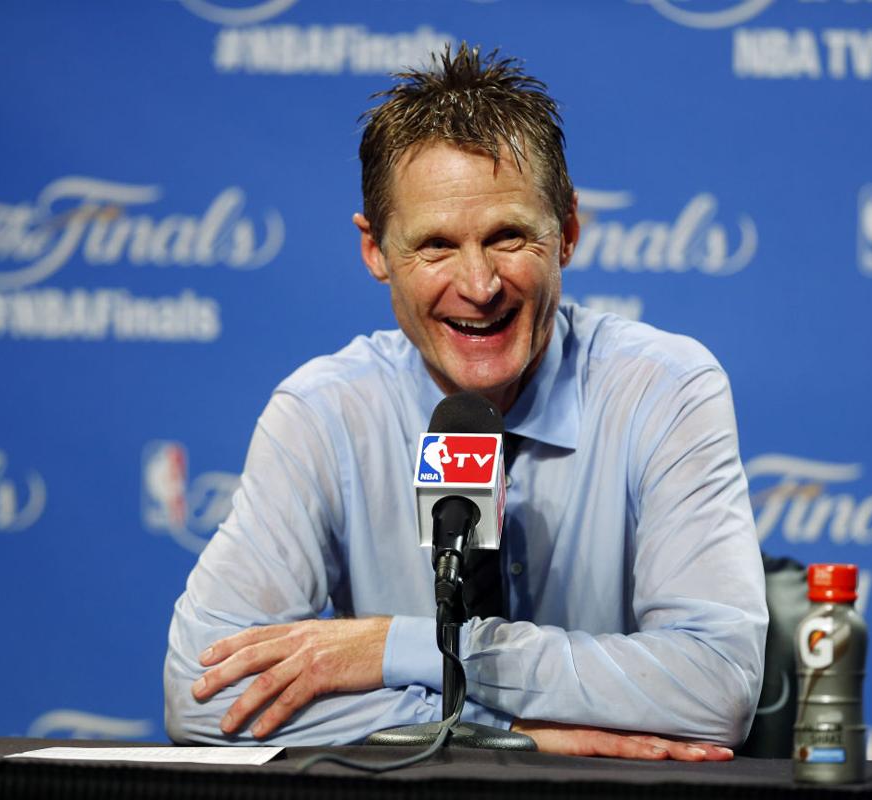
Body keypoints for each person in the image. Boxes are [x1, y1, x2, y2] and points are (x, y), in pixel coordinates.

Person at [164, 44, 767, 761]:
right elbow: (204, 698)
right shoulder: (325, 413)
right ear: (375, 251)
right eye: (436, 246)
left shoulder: (665, 389)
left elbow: (716, 687)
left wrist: (401, 647)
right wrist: (514, 736)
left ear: (567, 232)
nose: (479, 285)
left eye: (508, 236)